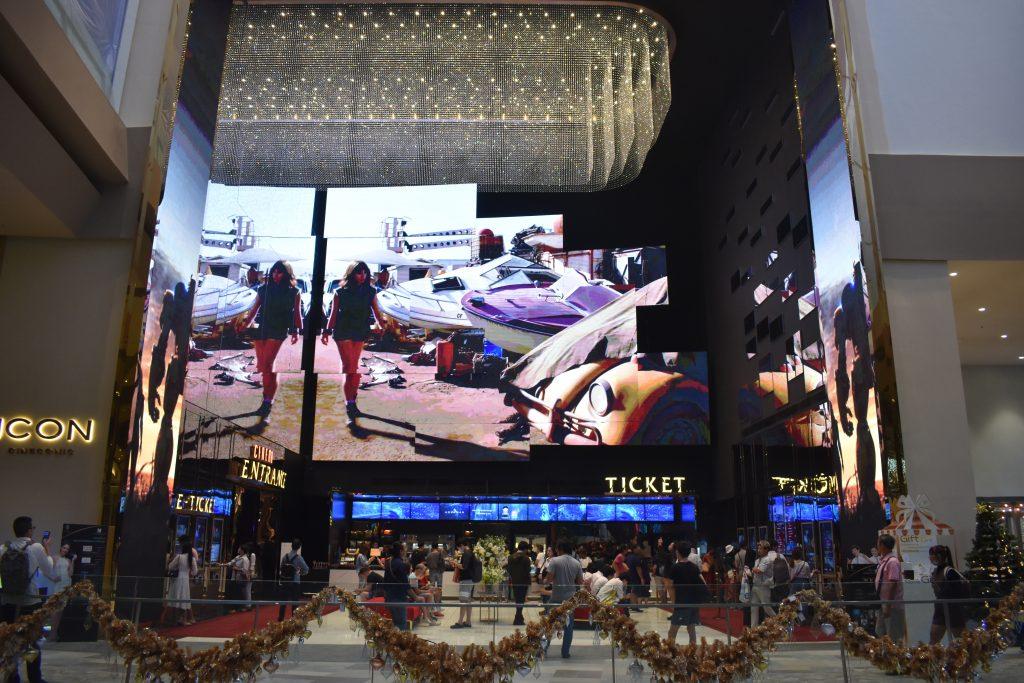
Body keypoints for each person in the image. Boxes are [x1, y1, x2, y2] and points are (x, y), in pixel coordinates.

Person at [321, 260, 392, 426]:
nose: (363, 276)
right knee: (349, 367)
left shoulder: (370, 291)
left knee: (353, 367)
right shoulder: (340, 292)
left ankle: (352, 399)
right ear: (352, 273)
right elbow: (333, 315)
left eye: (365, 273)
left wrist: (382, 326)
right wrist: (326, 331)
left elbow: (376, 311)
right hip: (343, 331)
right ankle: (350, 403)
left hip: (360, 331)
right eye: (359, 273)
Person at [235, 260, 303, 419]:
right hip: (262, 329)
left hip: (278, 330)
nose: (275, 275)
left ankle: (267, 400)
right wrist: (245, 324)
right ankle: (268, 396)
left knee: (268, 363)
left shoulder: (294, 291)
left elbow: (297, 313)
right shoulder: (263, 289)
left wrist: (297, 331)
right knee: (263, 366)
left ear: (286, 274)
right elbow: (254, 309)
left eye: (279, 272)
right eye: (274, 272)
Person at [1, 516, 57, 683]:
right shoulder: (36, 547)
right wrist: (47, 550)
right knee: (32, 641)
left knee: (10, 641)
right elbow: (48, 569)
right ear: (29, 530)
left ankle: (12, 677)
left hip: (7, 602)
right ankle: (34, 677)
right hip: (29, 601)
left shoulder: (3, 548)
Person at [545, 541, 583, 659]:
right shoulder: (576, 563)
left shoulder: (554, 561)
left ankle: (544, 649)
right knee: (569, 626)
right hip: (570, 598)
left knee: (549, 624)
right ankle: (565, 652)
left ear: (560, 549)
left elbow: (549, 579)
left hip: (556, 597)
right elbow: (580, 581)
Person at [668, 541, 705, 645]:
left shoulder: (675, 567)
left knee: (672, 631)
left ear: (678, 552)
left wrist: (674, 602)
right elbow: (701, 582)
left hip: (681, 603)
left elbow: (670, 586)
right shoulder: (694, 567)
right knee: (691, 629)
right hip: (693, 603)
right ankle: (692, 652)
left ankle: (670, 653)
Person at [928, 544, 967, 644]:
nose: (931, 558)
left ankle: (965, 658)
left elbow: (956, 591)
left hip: (953, 608)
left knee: (961, 639)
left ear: (940, 556)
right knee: (934, 638)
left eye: (933, 555)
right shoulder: (936, 571)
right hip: (940, 607)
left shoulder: (950, 572)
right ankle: (933, 658)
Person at [874, 534, 906, 644]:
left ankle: (896, 659)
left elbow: (893, 584)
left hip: (892, 606)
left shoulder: (892, 562)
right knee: (880, 631)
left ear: (882, 545)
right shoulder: (884, 561)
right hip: (884, 603)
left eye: (878, 544)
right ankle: (886, 658)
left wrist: (888, 604)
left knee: (893, 636)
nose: (877, 546)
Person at [166, 539, 198, 626]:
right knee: (185, 599)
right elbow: (195, 572)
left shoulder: (179, 557)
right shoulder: (192, 559)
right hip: (185, 580)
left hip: (177, 580)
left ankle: (176, 619)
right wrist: (189, 573)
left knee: (176, 597)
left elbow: (170, 566)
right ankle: (184, 619)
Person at [382, 543, 412, 630]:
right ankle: (400, 642)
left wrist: (386, 598)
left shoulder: (390, 563)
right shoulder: (400, 564)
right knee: (402, 623)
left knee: (395, 622)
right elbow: (405, 584)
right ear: (400, 551)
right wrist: (415, 597)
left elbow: (385, 582)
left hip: (390, 597)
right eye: (404, 549)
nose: (405, 551)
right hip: (399, 597)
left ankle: (394, 641)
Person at [278, 539, 310, 621]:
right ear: (299, 547)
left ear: (291, 546)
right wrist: (300, 573)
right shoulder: (299, 558)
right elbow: (306, 569)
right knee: (295, 602)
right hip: (295, 582)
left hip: (285, 582)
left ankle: (280, 619)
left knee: (283, 602)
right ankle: (294, 620)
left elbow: (281, 567)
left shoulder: (285, 556)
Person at [451, 540, 480, 629]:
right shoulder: (470, 553)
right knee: (467, 600)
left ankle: (460, 622)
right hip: (469, 579)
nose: (459, 549)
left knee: (463, 600)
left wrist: (455, 563)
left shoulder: (466, 553)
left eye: (459, 547)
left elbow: (464, 566)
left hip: (466, 580)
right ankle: (468, 621)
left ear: (462, 545)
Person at [750, 541, 776, 627]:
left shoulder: (768, 559)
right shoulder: (757, 560)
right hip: (755, 585)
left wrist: (753, 569)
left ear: (766, 549)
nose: (758, 550)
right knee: (754, 607)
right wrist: (749, 572)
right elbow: (754, 572)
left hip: (764, 586)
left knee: (766, 607)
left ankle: (780, 622)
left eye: (760, 548)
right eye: (758, 548)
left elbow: (759, 571)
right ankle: (753, 628)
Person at [507, 541, 533, 626]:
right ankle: (518, 618)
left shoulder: (510, 557)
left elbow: (509, 570)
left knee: (517, 599)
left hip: (515, 581)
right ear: (525, 549)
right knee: (521, 600)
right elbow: (528, 570)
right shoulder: (526, 558)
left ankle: (519, 617)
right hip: (524, 582)